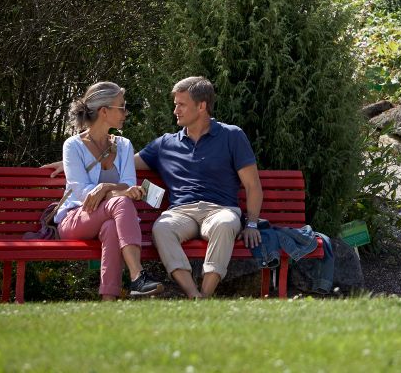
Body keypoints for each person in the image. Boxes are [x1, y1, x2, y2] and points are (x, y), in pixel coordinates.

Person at [137, 76, 264, 299]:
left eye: (181, 104)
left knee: (225, 224)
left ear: (202, 105)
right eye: (175, 104)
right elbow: (123, 162)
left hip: (220, 210)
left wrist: (252, 223)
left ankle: (205, 295)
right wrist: (77, 158)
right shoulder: (165, 144)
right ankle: (193, 295)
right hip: (181, 213)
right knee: (161, 229)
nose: (175, 110)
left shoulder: (231, 136)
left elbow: (252, 185)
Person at [55, 82, 163, 299]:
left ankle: (108, 299)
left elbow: (128, 183)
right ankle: (137, 276)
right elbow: (83, 193)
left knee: (112, 227)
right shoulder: (72, 146)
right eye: (121, 107)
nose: (126, 112)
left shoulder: (124, 145)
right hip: (76, 218)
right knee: (122, 203)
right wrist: (117, 192)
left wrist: (106, 188)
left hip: (110, 218)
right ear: (104, 111)